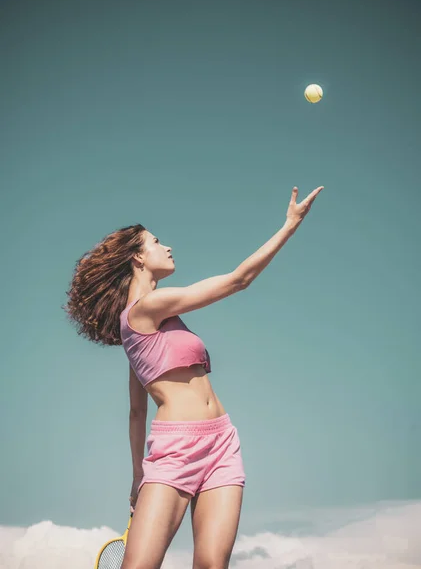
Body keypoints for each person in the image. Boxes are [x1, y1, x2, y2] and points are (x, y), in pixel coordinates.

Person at [64, 185, 323, 569]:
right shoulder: (147, 308)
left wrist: (137, 473)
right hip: (176, 451)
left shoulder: (143, 329)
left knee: (212, 565)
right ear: (138, 257)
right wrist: (289, 226)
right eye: (155, 241)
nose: (166, 246)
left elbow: (137, 413)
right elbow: (238, 280)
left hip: (222, 442)